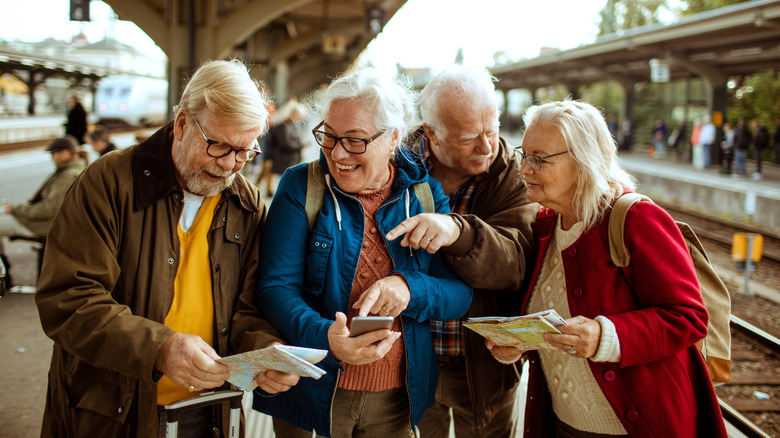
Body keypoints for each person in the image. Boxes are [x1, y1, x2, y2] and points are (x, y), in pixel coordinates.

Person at [34, 60, 300, 437]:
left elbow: (247, 307)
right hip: (110, 410)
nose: (228, 166)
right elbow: (69, 299)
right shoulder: (108, 183)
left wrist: (266, 351)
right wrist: (160, 348)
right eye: (218, 145)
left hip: (208, 409)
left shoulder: (247, 201)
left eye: (244, 152)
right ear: (181, 124)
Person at [252, 68, 473, 437]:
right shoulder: (300, 186)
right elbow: (275, 290)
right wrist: (327, 338)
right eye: (329, 135)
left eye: (355, 140)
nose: (337, 153)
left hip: (395, 401)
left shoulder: (424, 196)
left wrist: (409, 288)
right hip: (311, 392)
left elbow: (459, 294)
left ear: (393, 139)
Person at [487, 99, 727, 437]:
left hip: (637, 425)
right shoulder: (545, 225)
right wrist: (518, 344)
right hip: (563, 424)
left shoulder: (636, 220)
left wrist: (605, 337)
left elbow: (689, 316)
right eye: (523, 155)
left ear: (584, 161)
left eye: (539, 159)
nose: (524, 169)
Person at [385, 65, 537, 437]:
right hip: (408, 360)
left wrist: (457, 229)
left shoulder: (513, 177)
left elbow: (514, 263)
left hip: (484, 365)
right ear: (432, 133)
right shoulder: (391, 164)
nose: (486, 147)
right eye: (470, 137)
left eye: (492, 130)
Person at [3, 135, 87, 236]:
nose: (52, 158)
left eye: (53, 154)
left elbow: (48, 210)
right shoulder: (79, 167)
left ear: (65, 153)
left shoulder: (67, 176)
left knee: (2, 224)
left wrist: (15, 209)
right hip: (65, 222)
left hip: (51, 225)